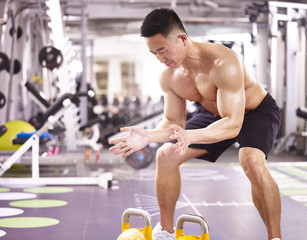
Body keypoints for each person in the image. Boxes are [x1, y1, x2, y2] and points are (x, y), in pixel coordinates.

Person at [109, 8, 282, 240]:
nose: (161, 59)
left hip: (256, 111)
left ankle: (276, 237)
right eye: (154, 54)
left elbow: (233, 123)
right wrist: (148, 136)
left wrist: (192, 135)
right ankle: (166, 233)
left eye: (163, 50)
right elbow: (173, 122)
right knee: (166, 155)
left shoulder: (224, 62)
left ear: (181, 39)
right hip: (215, 114)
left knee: (250, 160)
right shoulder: (170, 76)